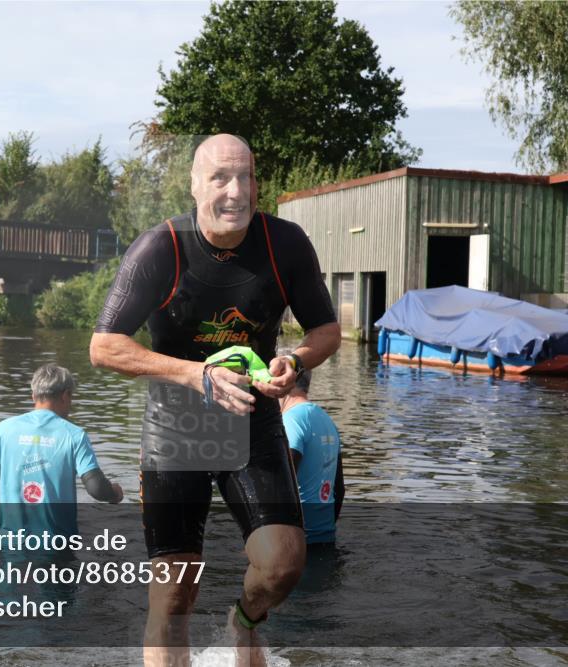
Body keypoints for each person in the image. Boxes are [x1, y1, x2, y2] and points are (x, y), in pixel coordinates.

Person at [90, 134, 341, 666]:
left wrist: (294, 361)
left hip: (251, 418)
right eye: (220, 178)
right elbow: (105, 346)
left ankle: (243, 621)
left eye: (245, 177)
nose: (235, 191)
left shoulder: (286, 244)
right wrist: (194, 373)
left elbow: (326, 330)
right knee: (174, 594)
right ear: (194, 185)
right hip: (176, 428)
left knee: (283, 564)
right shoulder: (161, 248)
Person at [0, 364, 123, 540]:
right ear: (65, 395)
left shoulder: (3, 429)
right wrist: (113, 493)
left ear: (34, 396)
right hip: (57, 543)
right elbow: (96, 488)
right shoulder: (74, 435)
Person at [279, 365, 344, 546]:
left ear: (283, 380)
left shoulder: (291, 420)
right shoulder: (327, 419)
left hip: (295, 544)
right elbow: (339, 490)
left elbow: (283, 487)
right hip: (326, 536)